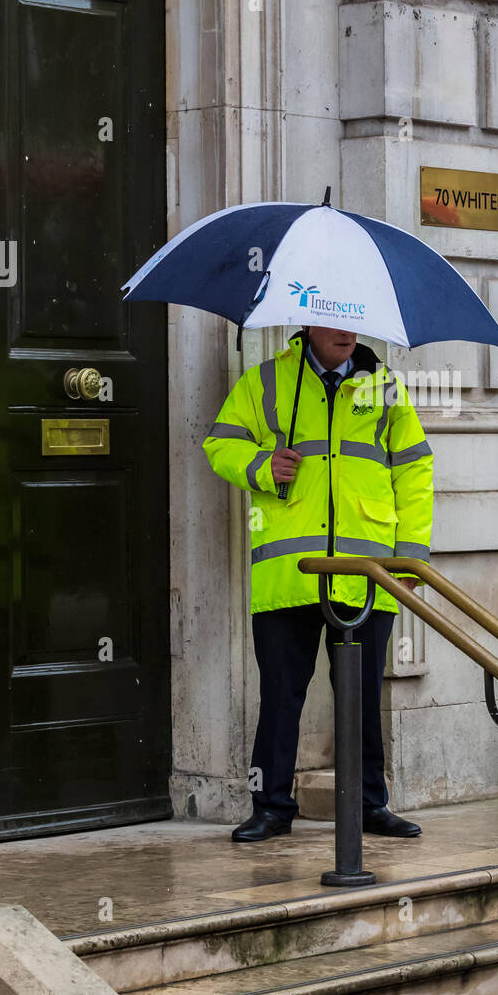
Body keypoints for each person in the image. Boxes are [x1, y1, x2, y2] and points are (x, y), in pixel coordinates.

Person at [203, 325, 433, 841]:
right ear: (309, 326)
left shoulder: (386, 387)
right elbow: (219, 443)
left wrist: (411, 557)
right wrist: (262, 465)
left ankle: (370, 805)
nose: (348, 333)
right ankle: (271, 807)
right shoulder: (267, 381)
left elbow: (415, 470)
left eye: (355, 322)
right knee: (281, 697)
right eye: (336, 322)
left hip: (367, 573)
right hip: (291, 572)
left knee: (361, 697)